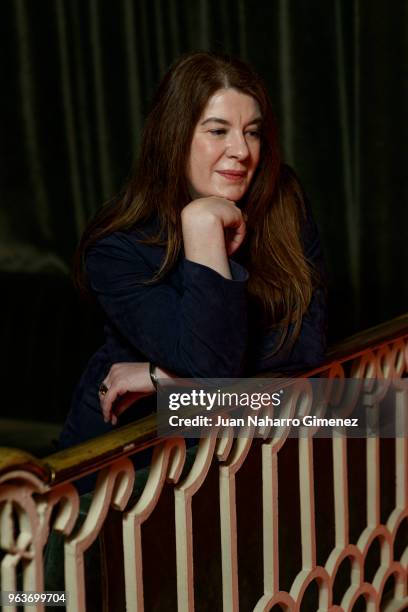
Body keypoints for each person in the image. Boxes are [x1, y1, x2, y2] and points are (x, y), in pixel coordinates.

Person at [59, 51, 327, 450]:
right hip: (128, 460)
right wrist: (202, 229)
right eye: (218, 131)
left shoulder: (282, 198)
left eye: (252, 131)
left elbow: (307, 345)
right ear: (175, 136)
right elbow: (213, 365)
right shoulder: (117, 246)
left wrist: (163, 377)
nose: (241, 150)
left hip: (235, 449)